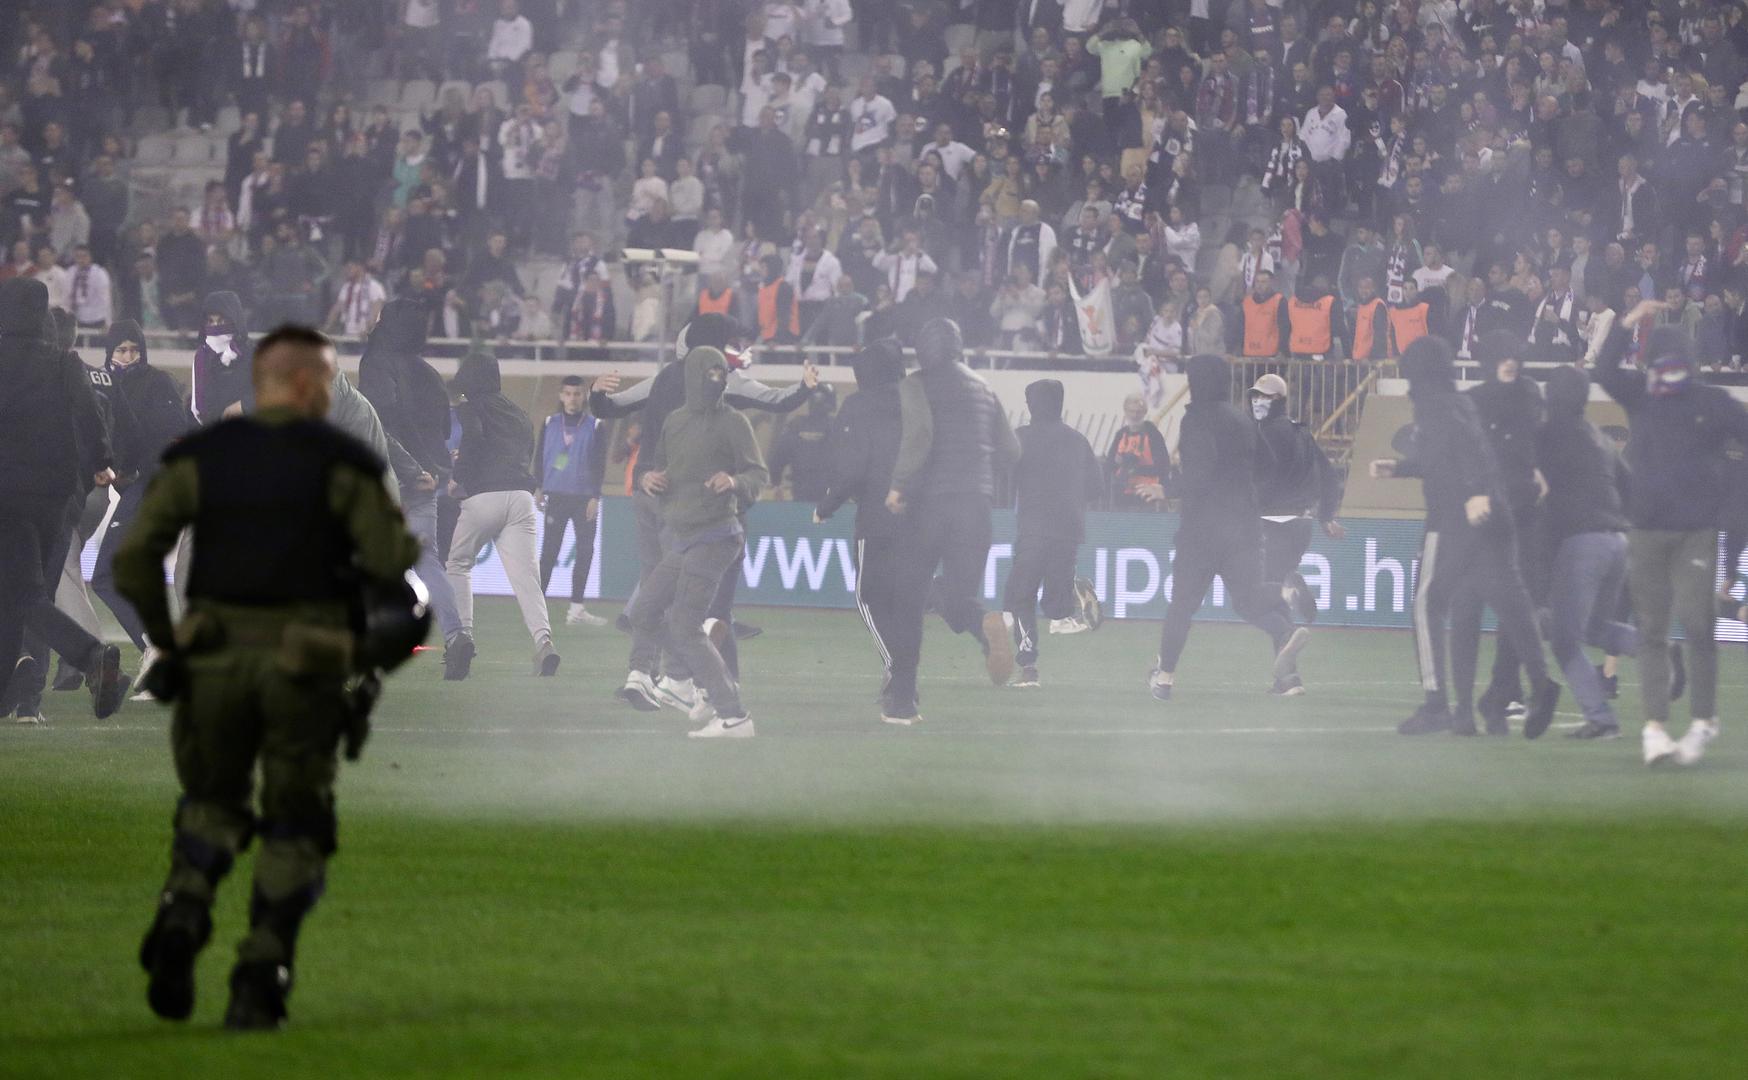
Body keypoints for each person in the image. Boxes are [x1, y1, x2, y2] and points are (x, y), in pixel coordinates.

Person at [114, 326, 420, 1031]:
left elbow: (135, 560)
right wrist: (366, 666)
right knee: (293, 824)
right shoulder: (345, 465)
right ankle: (261, 971)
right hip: (304, 663)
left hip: (216, 660)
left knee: (212, 804)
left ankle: (186, 908)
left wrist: (166, 641)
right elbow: (400, 591)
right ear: (321, 386)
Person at [592, 314, 813, 708]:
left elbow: (612, 407)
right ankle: (680, 680)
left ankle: (640, 673)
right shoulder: (722, 381)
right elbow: (778, 400)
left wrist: (596, 395)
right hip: (689, 506)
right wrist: (806, 388)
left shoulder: (662, 380)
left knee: (652, 586)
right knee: (685, 596)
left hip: (647, 494)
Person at [1369, 337, 1561, 738]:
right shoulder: (1461, 403)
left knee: (1428, 604)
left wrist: (1473, 492)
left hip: (1454, 519)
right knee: (1512, 601)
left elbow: (1462, 451)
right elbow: (1454, 454)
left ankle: (1437, 704)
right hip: (1498, 514)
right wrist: (1401, 469)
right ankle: (1542, 684)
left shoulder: (1434, 405)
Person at [1594, 302, 1748, 766]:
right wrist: (1629, 319)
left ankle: (1703, 719)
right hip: (1644, 531)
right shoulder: (1640, 394)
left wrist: (1726, 480)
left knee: (1700, 626)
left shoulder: (1711, 402)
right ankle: (1655, 729)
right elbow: (1601, 369)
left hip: (1694, 532)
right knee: (1652, 633)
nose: (1668, 371)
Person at [0, 280, 131, 722]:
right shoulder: (63, 363)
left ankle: (91, 656)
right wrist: (102, 462)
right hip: (56, 500)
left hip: (6, 496)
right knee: (22, 594)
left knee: (24, 593)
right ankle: (14, 689)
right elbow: (89, 415)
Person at [623, 346, 768, 738]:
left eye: (721, 372)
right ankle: (693, 684)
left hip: (717, 535)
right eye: (709, 372)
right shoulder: (674, 422)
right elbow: (657, 467)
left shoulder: (734, 422)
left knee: (685, 624)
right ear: (691, 375)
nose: (716, 379)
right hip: (683, 539)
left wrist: (735, 482)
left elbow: (758, 475)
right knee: (642, 613)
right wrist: (648, 480)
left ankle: (734, 715)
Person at [883, 318, 1021, 723]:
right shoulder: (985, 388)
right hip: (977, 507)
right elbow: (1012, 451)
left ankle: (903, 702)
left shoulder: (915, 384)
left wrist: (898, 485)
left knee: (910, 601)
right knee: (956, 596)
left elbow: (918, 438)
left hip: (930, 506)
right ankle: (985, 624)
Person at [1149, 355, 1308, 701]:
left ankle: (1164, 678)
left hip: (1202, 531)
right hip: (1243, 527)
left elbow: (1199, 472)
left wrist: (1168, 489)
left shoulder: (1196, 421)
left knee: (1182, 605)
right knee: (1248, 598)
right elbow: (1267, 465)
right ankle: (1285, 595)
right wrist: (1244, 491)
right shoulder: (1242, 419)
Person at [355, 299, 466, 675]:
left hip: (389, 478)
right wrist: (431, 469)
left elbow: (376, 421)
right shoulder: (430, 373)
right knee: (428, 561)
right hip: (425, 482)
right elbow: (442, 432)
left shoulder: (375, 364)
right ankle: (456, 635)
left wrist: (404, 466)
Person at [87, 321, 197, 684]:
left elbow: (165, 432)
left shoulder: (157, 383)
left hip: (155, 482)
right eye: (121, 350)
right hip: (140, 483)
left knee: (107, 572)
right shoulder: (103, 384)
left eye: (134, 349)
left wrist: (129, 466)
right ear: (109, 352)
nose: (128, 357)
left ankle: (160, 650)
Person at [1536, 365, 1638, 741]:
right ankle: (1657, 647)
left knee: (1564, 640)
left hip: (1582, 544)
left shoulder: (1546, 435)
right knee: (1595, 628)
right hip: (1617, 541)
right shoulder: (1599, 437)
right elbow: (1630, 485)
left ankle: (1602, 719)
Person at [444, 347, 560, 678]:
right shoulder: (519, 413)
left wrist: (460, 477)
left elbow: (475, 439)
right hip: (522, 498)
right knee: (527, 580)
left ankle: (462, 638)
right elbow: (527, 449)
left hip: (484, 497)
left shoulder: (471, 408)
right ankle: (544, 642)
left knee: (459, 564)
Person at [815, 338, 906, 717]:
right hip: (923, 513)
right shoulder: (917, 402)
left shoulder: (859, 405)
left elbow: (852, 465)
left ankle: (899, 671)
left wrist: (828, 503)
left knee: (868, 595)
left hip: (877, 516)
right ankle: (898, 673)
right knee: (903, 596)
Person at [1465, 332, 1548, 732]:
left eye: (1515, 354)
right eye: (1503, 354)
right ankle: (1493, 694)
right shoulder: (1476, 400)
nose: (1510, 360)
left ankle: (1504, 692)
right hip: (1489, 513)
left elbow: (1538, 438)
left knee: (1517, 608)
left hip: (1525, 514)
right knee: (1499, 606)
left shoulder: (1530, 396)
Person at [1002, 379, 1102, 689]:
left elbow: (1002, 475)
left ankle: (1029, 666)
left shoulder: (1020, 437)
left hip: (1033, 529)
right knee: (1055, 608)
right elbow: (1097, 488)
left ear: (1033, 404)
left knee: (1020, 598)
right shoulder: (1078, 440)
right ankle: (1073, 596)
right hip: (1069, 529)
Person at [1249, 373, 1344, 645]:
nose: (1257, 401)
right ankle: (1287, 677)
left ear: (1278, 399)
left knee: (1252, 596)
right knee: (1276, 593)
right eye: (1255, 395)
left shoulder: (1263, 434)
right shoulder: (1301, 432)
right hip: (1301, 524)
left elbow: (1258, 479)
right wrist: (1326, 516)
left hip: (1269, 522)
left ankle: (1290, 593)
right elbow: (1329, 475)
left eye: (1264, 396)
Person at [536, 376, 608, 628]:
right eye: (568, 394)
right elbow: (539, 454)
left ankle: (576, 609)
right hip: (555, 495)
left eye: (577, 394)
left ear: (583, 397)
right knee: (548, 552)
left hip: (584, 499)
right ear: (561, 395)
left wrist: (595, 496)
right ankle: (536, 609)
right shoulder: (549, 423)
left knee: (585, 551)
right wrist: (538, 487)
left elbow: (600, 464)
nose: (572, 399)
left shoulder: (596, 425)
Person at [191, 292, 255, 424]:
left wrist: (244, 405)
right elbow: (200, 406)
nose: (215, 327)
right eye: (210, 321)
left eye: (221, 321)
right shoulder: (202, 358)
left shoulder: (253, 354)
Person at [768, 384, 837, 501]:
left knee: (801, 518)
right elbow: (855, 462)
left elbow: (776, 460)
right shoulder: (839, 427)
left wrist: (776, 483)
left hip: (802, 493)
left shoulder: (795, 426)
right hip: (833, 495)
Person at [1106, 392, 1170, 509]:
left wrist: (1136, 468)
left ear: (1145, 412)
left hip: (1147, 494)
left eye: (1138, 412)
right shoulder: (1121, 435)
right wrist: (1119, 463)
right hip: (1123, 494)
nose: (1135, 415)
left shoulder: (1152, 434)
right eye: (1131, 411)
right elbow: (1109, 464)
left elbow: (1164, 465)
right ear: (1125, 411)